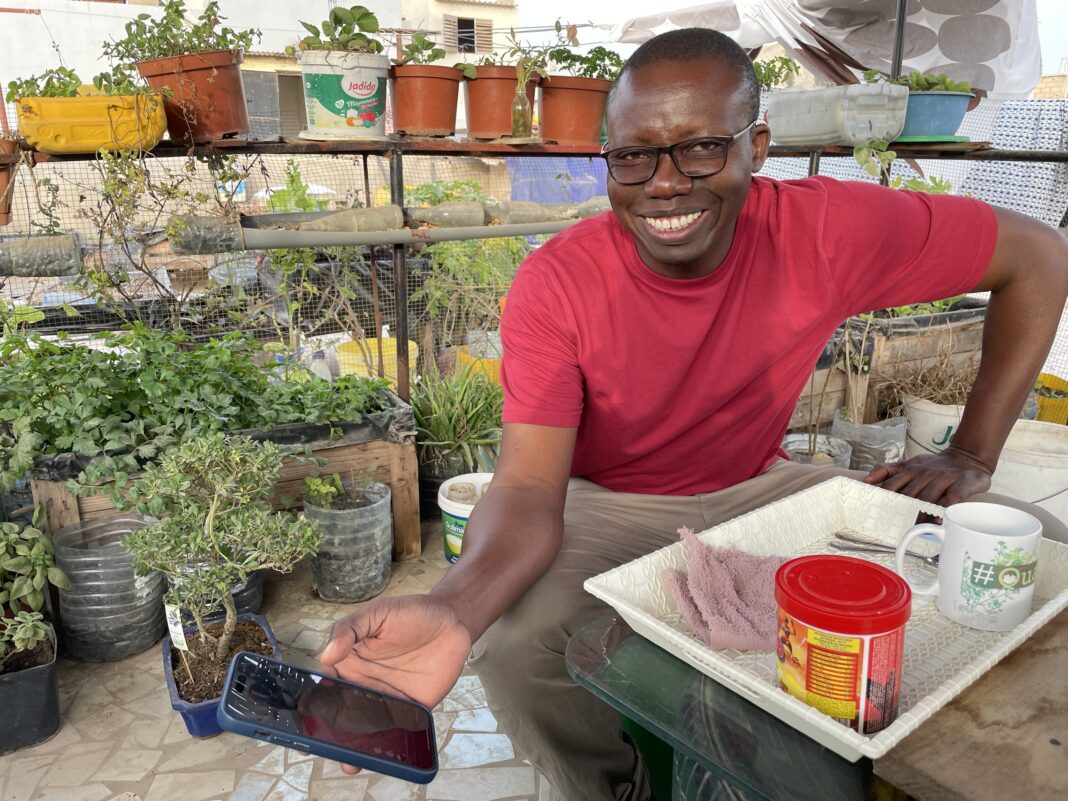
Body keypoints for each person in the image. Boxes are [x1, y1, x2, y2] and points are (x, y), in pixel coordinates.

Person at [317, 28, 1068, 801]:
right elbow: (530, 492)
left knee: (1030, 546)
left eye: (702, 148)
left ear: (758, 147)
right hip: (608, 503)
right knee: (513, 651)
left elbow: (1038, 257)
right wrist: (453, 608)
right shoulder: (557, 285)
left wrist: (971, 453)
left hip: (760, 487)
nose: (665, 184)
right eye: (634, 156)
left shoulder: (826, 231)